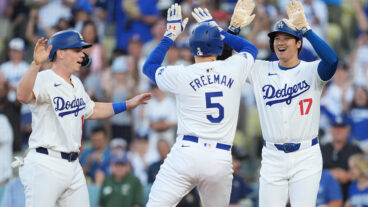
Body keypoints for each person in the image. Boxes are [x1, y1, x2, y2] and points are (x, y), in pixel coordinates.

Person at [214, 0, 338, 206]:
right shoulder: (261, 69)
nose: (280, 42)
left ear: (298, 43)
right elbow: (223, 63)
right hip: (273, 156)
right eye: (277, 38)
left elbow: (332, 60)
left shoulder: (311, 70)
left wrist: (306, 30)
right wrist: (233, 30)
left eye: (287, 38)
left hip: (306, 156)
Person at [15, 30, 152, 207]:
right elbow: (22, 95)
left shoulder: (76, 83)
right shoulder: (45, 77)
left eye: (82, 50)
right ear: (61, 53)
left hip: (73, 165)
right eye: (77, 50)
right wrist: (35, 64)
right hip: (46, 162)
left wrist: (127, 104)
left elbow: (92, 109)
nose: (82, 54)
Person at [142, 2, 258, 206]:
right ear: (219, 46)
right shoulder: (234, 67)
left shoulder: (182, 73)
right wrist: (220, 31)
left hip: (186, 151)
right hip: (219, 156)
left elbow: (149, 67)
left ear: (191, 47)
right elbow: (250, 48)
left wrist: (169, 35)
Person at [321, 116, 363, 200]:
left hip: (348, 195)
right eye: (335, 127)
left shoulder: (355, 149)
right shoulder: (322, 149)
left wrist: (349, 175)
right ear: (331, 130)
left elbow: (363, 172)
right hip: (323, 196)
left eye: (341, 128)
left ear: (348, 131)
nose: (338, 131)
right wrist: (330, 174)